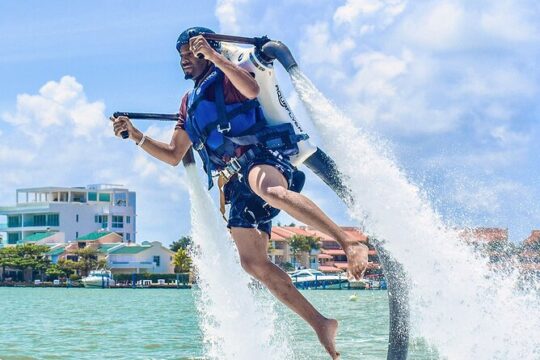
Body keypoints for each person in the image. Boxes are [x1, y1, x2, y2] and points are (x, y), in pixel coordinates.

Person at [111, 26, 369, 359]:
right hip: (234, 184)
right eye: (181, 54)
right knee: (253, 263)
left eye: (191, 50)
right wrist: (135, 135)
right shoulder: (188, 103)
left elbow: (250, 89)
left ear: (208, 49)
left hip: (262, 157)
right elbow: (175, 154)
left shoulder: (225, 74)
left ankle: (348, 241)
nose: (185, 58)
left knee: (270, 189)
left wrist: (216, 57)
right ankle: (320, 323)